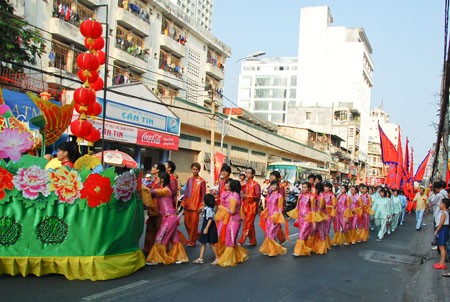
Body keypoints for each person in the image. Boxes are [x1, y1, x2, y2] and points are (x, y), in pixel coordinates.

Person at [144, 172, 189, 265]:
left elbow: (151, 192)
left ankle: (156, 259)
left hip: (168, 218)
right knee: (175, 239)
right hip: (170, 217)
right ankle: (180, 257)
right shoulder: (163, 189)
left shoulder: (165, 190)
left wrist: (140, 186)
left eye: (158, 178)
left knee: (159, 237)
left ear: (162, 179)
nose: (156, 179)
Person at [217, 180, 249, 267]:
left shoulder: (234, 196)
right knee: (231, 240)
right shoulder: (237, 195)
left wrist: (223, 208)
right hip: (233, 220)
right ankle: (237, 256)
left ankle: (228, 260)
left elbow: (232, 211)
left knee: (230, 240)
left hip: (233, 221)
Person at [289, 182, 321, 256]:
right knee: (304, 235)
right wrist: (290, 217)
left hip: (307, 219)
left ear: (309, 188)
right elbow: (297, 207)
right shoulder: (300, 196)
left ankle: (298, 251)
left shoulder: (311, 197)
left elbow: (313, 210)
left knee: (301, 234)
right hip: (300, 218)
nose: (303, 189)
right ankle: (305, 249)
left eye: (305, 187)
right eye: (302, 187)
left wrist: (313, 222)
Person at [259, 180, 287, 257]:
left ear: (278, 186)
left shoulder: (279, 196)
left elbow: (280, 208)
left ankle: (273, 250)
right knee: (268, 234)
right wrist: (264, 213)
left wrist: (277, 218)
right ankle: (268, 249)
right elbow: (268, 206)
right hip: (268, 217)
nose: (273, 186)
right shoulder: (270, 195)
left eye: (274, 185)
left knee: (271, 234)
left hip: (275, 217)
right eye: (272, 185)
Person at [181, 162, 206, 246]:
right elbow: (186, 192)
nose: (195, 171)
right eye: (193, 169)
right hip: (188, 204)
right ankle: (195, 236)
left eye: (196, 169)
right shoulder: (189, 180)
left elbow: (203, 194)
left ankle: (192, 240)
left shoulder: (202, 181)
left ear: (199, 170)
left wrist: (201, 205)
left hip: (196, 206)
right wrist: (183, 202)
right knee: (186, 222)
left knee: (194, 225)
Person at [143, 163, 166, 255]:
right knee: (150, 230)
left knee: (158, 231)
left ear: (158, 170)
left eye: (154, 167)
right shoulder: (154, 181)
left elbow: (159, 192)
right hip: (152, 208)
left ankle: (157, 253)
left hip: (159, 209)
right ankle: (148, 250)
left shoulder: (161, 180)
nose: (152, 168)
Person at [192, 194, 219, 265]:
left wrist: (206, 228)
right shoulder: (206, 208)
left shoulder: (209, 209)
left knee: (212, 243)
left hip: (209, 227)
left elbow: (210, 219)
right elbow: (199, 212)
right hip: (205, 225)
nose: (202, 202)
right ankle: (201, 258)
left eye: (204, 200)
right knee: (203, 242)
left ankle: (217, 258)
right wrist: (201, 210)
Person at [238, 167, 261, 246]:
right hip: (245, 206)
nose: (247, 174)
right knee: (250, 224)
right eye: (246, 172)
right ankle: (253, 241)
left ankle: (241, 241)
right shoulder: (245, 184)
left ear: (253, 174)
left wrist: (247, 196)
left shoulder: (256, 184)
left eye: (248, 173)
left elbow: (257, 196)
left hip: (252, 207)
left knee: (247, 223)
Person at [433, 198, 450, 270]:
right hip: (443, 230)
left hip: (442, 230)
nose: (439, 205)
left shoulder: (444, 213)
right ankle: (441, 262)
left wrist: (436, 231)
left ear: (443, 205)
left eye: (440, 203)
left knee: (442, 247)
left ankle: (442, 263)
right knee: (442, 247)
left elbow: (441, 223)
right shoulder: (444, 212)